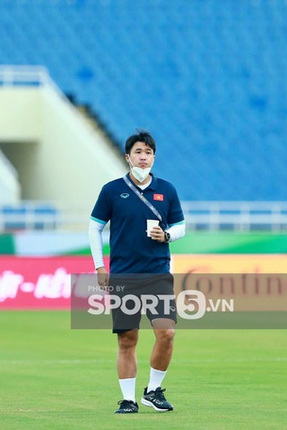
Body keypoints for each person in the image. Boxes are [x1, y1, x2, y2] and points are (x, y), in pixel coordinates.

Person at [88, 129, 186, 414]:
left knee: (166, 333)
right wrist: (99, 266)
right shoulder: (111, 190)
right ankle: (128, 399)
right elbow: (94, 227)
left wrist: (166, 236)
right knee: (127, 339)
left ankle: (153, 391)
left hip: (157, 274)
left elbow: (181, 226)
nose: (144, 158)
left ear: (154, 157)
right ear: (127, 157)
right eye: (139, 152)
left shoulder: (167, 189)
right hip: (123, 275)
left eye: (149, 153)